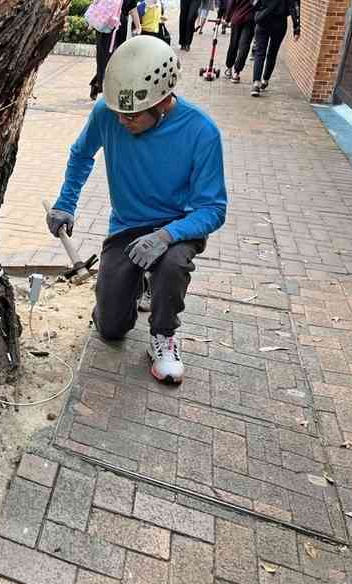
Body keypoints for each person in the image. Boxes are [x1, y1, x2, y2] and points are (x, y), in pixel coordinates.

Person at [46, 36, 228, 384]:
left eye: (132, 114)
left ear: (162, 102)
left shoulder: (201, 132)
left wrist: (166, 235)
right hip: (127, 226)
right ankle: (136, 286)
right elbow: (82, 154)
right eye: (118, 112)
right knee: (111, 329)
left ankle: (163, 336)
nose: (123, 121)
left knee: (171, 266)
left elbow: (213, 209)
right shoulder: (108, 113)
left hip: (176, 227)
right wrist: (65, 203)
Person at [90, 0, 143, 100]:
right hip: (117, 26)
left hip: (102, 24)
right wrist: (138, 26)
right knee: (115, 60)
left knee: (103, 59)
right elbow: (132, 9)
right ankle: (107, 90)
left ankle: (99, 85)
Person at [250, 0, 300, 96]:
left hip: (263, 19)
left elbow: (254, 3)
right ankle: (265, 80)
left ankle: (256, 84)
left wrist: (260, 9)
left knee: (260, 52)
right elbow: (294, 7)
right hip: (279, 22)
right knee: (272, 52)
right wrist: (296, 28)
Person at [223, 0, 254, 83]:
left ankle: (229, 68)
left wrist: (227, 18)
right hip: (250, 20)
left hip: (237, 18)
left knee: (233, 44)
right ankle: (236, 73)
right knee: (244, 45)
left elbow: (231, 3)